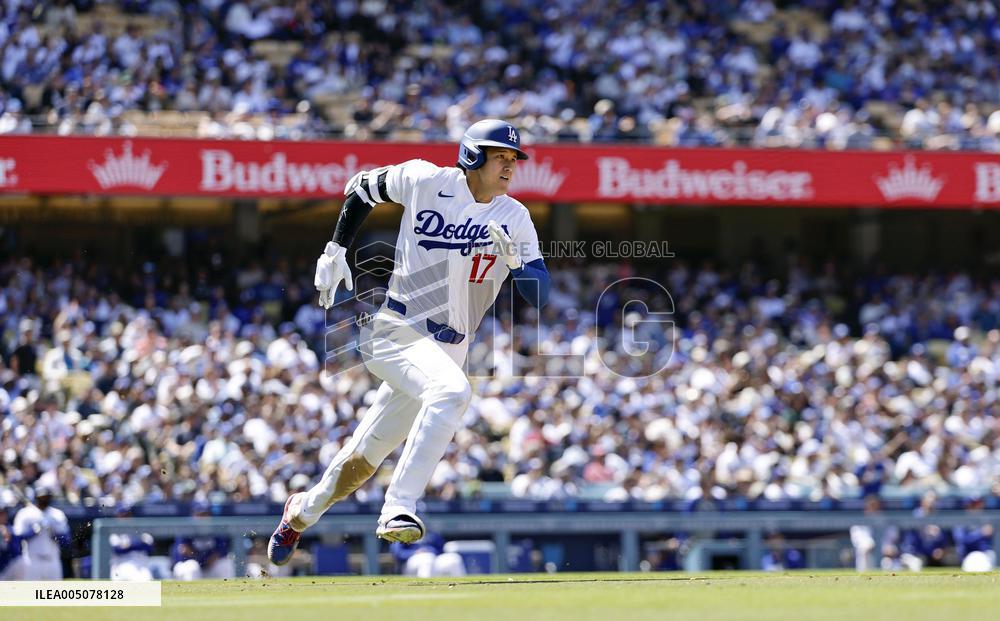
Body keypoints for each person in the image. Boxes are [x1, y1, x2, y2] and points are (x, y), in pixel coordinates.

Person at [268, 119, 550, 565]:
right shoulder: (425, 179)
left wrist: (517, 263)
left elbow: (540, 296)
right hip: (395, 329)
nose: (510, 166)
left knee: (362, 460)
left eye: (514, 158)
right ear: (473, 155)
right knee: (453, 391)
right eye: (500, 156)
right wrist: (336, 249)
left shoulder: (515, 217)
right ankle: (399, 506)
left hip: (451, 346)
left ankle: (301, 512)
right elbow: (360, 187)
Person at [12, 484, 70, 580]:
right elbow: (16, 539)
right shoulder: (25, 513)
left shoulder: (57, 515)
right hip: (32, 560)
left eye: (46, 497)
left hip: (53, 560)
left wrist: (53, 533)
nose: (43, 499)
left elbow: (67, 541)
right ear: (36, 497)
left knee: (54, 593)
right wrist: (32, 532)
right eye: (41, 497)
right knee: (30, 593)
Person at [172, 502, 235, 580]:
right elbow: (181, 552)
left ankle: (227, 591)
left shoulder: (216, 528)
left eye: (205, 514)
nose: (203, 518)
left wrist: (215, 556)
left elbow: (222, 551)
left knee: (226, 564)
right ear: (193, 515)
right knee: (192, 566)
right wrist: (198, 558)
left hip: (209, 568)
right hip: (189, 567)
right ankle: (191, 592)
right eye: (199, 515)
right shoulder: (186, 528)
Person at [0, 497, 25, 580]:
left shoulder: (10, 528)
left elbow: (14, 550)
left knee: (20, 562)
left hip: (10, 566)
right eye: (0, 513)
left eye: (3, 513)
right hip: (2, 568)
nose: (3, 516)